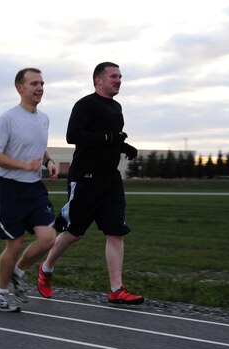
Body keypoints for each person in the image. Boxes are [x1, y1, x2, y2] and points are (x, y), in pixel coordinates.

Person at [37, 61, 144, 305]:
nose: (118, 80)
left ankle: (116, 289)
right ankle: (46, 268)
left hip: (110, 179)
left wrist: (123, 146)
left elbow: (109, 140)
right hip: (85, 178)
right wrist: (110, 138)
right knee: (74, 232)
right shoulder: (85, 104)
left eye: (120, 77)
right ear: (99, 80)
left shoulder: (117, 108)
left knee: (116, 231)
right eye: (113, 76)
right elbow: (73, 136)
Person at [0, 67, 59, 312]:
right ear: (20, 88)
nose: (39, 88)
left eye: (42, 84)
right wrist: (22, 164)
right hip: (10, 189)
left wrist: (48, 160)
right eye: (34, 84)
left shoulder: (44, 118)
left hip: (34, 188)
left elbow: (38, 146)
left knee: (49, 238)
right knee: (14, 245)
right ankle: (1, 292)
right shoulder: (7, 119)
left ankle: (18, 272)